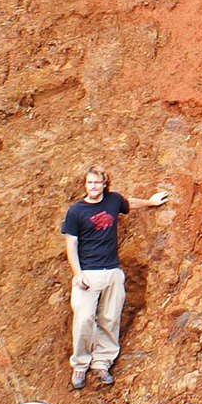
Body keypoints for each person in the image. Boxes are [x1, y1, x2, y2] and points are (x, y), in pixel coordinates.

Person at [61, 165, 169, 389]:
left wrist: (151, 202)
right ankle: (80, 366)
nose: (93, 186)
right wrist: (77, 274)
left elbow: (129, 203)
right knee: (84, 320)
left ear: (104, 184)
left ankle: (102, 362)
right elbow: (71, 245)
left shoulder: (113, 201)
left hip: (112, 272)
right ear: (85, 185)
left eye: (97, 182)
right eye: (89, 182)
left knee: (110, 318)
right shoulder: (76, 211)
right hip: (88, 274)